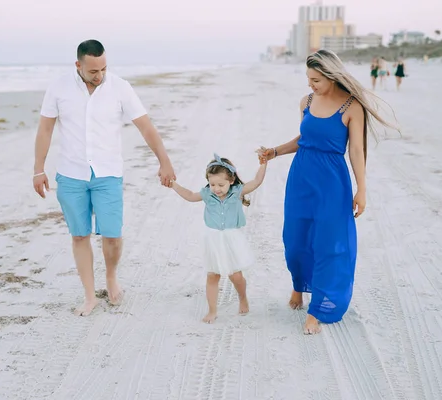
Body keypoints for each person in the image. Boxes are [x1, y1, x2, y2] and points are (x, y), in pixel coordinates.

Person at [32, 39, 176, 316]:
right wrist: (39, 169)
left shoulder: (120, 87)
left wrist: (164, 161)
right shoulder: (58, 88)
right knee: (79, 235)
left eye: (103, 69)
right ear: (78, 65)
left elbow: (145, 127)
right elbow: (45, 131)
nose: (100, 76)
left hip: (108, 173)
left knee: (112, 235)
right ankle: (89, 296)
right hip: (71, 174)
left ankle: (111, 276)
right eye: (93, 71)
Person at [257, 49, 395, 335]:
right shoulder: (306, 101)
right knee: (296, 240)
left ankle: (317, 310)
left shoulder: (351, 106)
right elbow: (305, 138)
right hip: (301, 178)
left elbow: (356, 150)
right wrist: (275, 152)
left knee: (328, 244)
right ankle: (298, 286)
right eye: (308, 78)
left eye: (316, 79)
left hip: (332, 183)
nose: (311, 85)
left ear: (332, 76)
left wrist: (362, 189)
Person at [168, 154, 267, 323]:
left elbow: (257, 181)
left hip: (231, 239)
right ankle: (212, 310)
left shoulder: (237, 192)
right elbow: (190, 195)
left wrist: (263, 164)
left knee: (235, 276)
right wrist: (174, 185)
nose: (216, 188)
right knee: (213, 275)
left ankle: (243, 298)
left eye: (221, 184)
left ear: (231, 180)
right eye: (212, 184)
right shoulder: (207, 194)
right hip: (213, 239)